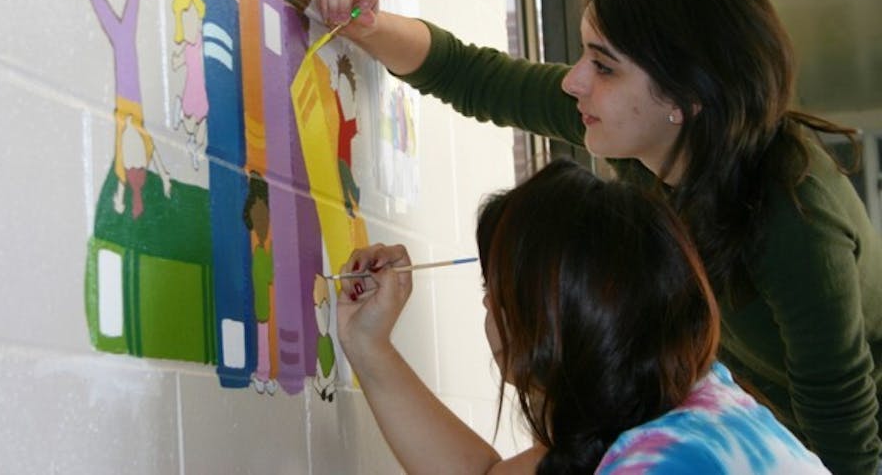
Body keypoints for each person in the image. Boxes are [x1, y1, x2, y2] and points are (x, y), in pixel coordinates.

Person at [316, 0, 882, 474]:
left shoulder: (797, 220)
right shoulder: (639, 138)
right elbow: (474, 77)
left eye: (604, 67)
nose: (573, 80)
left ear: (684, 102)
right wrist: (368, 27)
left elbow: (845, 429)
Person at [337, 159, 829, 473]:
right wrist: (370, 345)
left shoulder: (663, 463)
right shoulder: (693, 399)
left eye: (495, 291)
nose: (487, 306)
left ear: (554, 321)